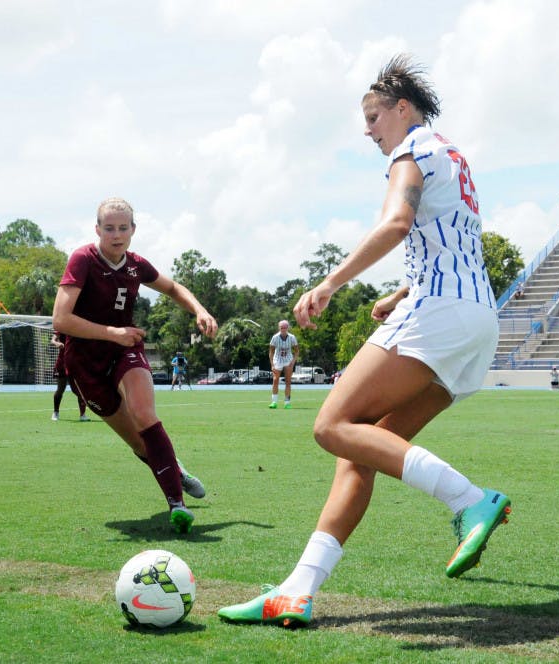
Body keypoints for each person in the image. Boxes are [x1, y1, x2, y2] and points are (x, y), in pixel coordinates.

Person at [218, 55, 511, 628]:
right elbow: (452, 243)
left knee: (330, 426)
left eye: (375, 116)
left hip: (441, 314)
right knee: (360, 451)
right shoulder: (454, 155)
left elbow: (397, 223)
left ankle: (469, 499)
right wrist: (402, 291)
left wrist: (329, 283)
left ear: (403, 110)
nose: (369, 130)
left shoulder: (413, 150)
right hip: (477, 322)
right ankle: (297, 591)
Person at [52, 197, 216, 533]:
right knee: (140, 443)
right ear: (97, 230)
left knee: (145, 415)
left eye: (123, 228)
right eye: (109, 228)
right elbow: (61, 319)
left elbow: (172, 288)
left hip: (125, 350)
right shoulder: (82, 260)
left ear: (133, 230)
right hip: (85, 364)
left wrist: (199, 310)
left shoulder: (136, 265)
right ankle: (177, 471)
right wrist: (111, 332)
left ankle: (177, 506)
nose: (116, 234)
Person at [51, 331, 90, 422]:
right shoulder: (63, 327)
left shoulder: (79, 329)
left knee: (79, 389)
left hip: (75, 363)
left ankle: (82, 415)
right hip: (62, 363)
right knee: (60, 389)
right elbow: (53, 340)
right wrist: (56, 343)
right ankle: (56, 412)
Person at [268, 320, 299, 409]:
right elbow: (271, 352)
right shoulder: (275, 337)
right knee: (275, 379)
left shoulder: (292, 337)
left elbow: (297, 351)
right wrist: (272, 364)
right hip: (277, 359)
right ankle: (274, 402)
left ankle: (287, 402)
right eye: (282, 328)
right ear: (279, 328)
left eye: (285, 327)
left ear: (287, 328)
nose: (283, 329)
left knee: (288, 381)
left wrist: (293, 362)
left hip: (288, 359)